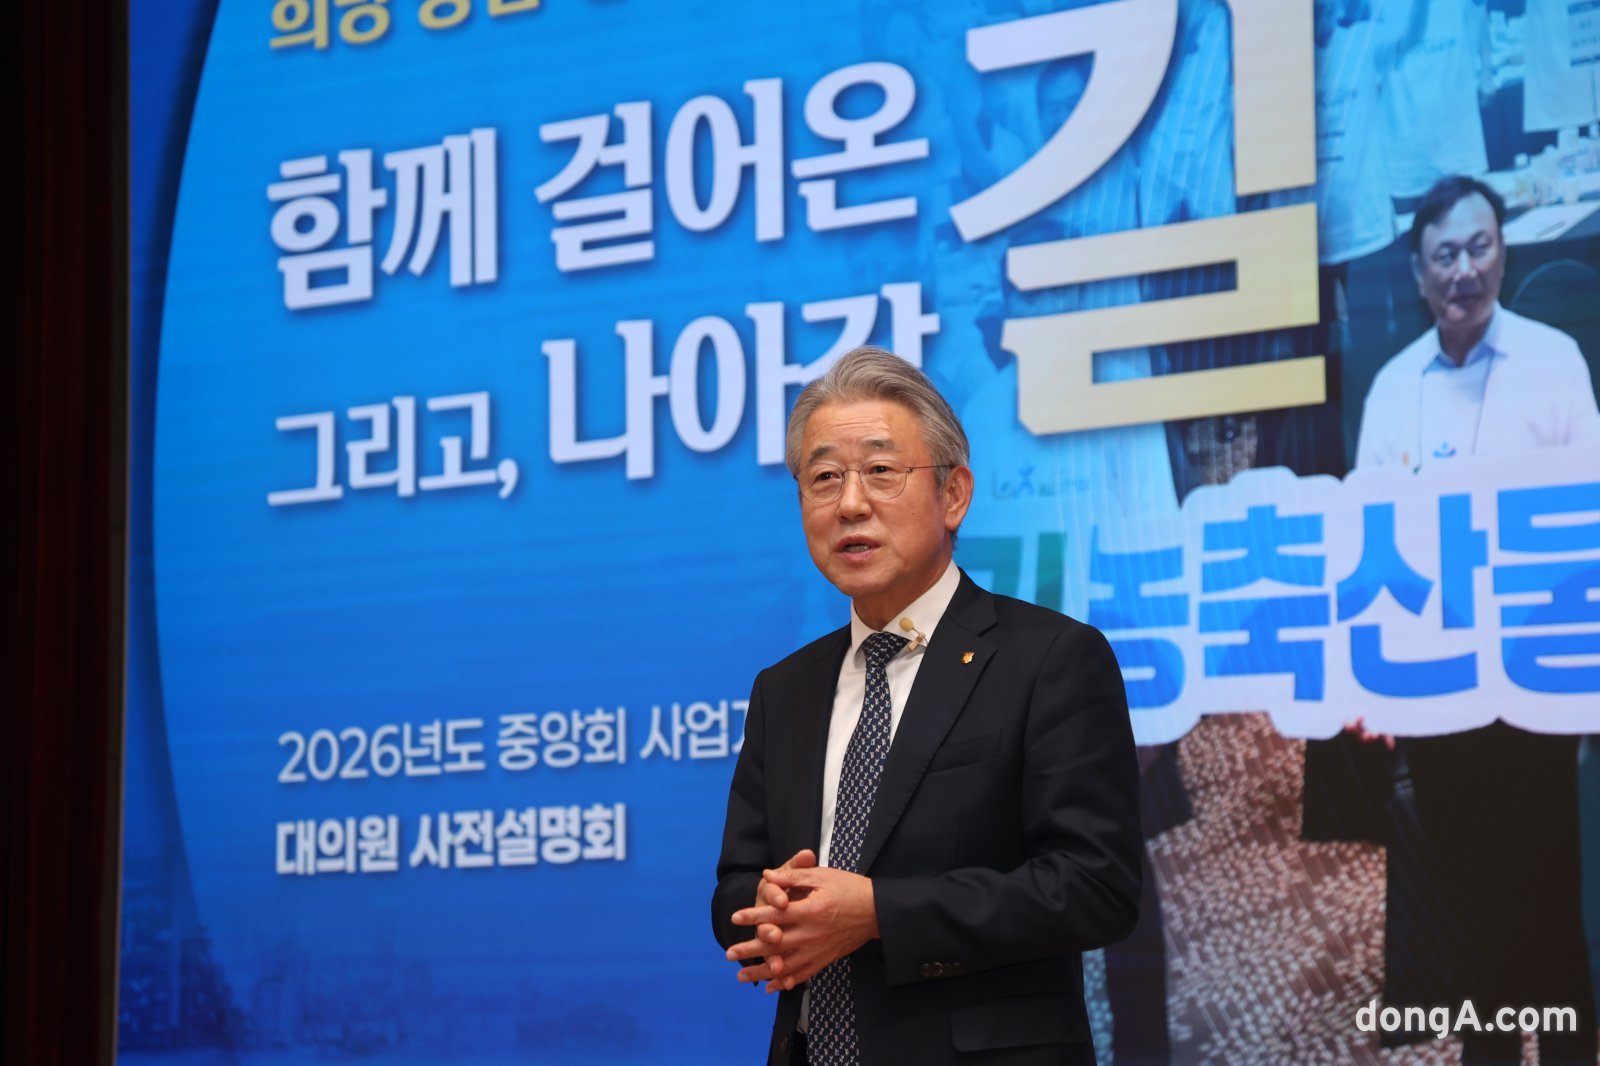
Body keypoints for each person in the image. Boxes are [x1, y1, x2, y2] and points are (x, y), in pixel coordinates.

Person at [711, 347, 1143, 1065]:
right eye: (824, 478)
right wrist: (776, 908)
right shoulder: (784, 689)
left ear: (954, 494)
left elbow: (1095, 886)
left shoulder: (1049, 659)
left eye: (881, 471)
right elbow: (734, 889)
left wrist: (877, 912)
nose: (850, 503)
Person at [1353, 174, 1599, 1064]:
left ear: (1504, 251)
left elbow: (1588, 526)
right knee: (1468, 900)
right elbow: (1368, 542)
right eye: (1445, 255)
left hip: (1538, 689)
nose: (1465, 270)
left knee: (1549, 894)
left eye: (1480, 247)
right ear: (1419, 274)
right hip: (1439, 692)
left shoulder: (1552, 361)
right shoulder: (1393, 389)